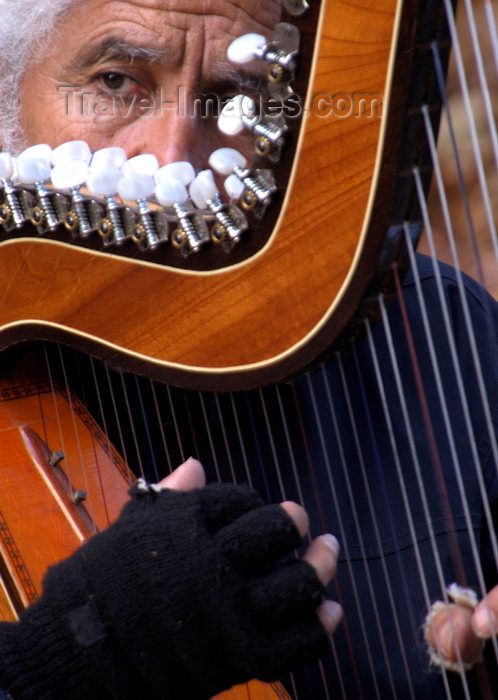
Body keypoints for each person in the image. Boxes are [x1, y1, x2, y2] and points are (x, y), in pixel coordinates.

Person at [0, 0, 496, 698]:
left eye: (232, 100)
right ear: (6, 86)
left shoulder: (440, 330)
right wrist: (59, 658)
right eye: (115, 82)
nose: (171, 160)